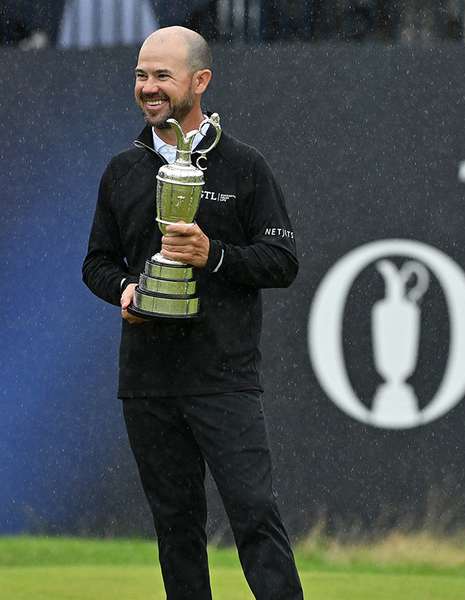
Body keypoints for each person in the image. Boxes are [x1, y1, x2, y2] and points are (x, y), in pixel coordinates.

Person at [82, 26, 303, 600]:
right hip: (148, 379)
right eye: (140, 75)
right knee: (176, 525)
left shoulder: (243, 166)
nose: (148, 87)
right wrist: (127, 292)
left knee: (254, 514)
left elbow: (281, 260)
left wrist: (215, 255)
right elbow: (98, 263)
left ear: (200, 81)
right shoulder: (122, 169)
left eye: (162, 76)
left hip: (223, 376)